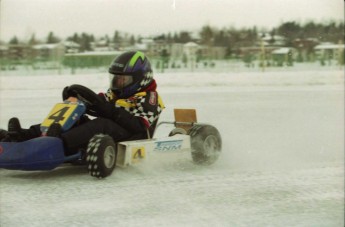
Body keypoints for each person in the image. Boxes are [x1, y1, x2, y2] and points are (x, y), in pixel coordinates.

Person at [0, 51, 165, 156]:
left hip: (133, 137)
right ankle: (23, 135)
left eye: (122, 80)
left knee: (102, 124)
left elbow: (139, 126)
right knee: (77, 118)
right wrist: (76, 99)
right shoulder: (115, 94)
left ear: (141, 79)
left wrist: (109, 110)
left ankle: (59, 143)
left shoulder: (150, 97)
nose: (117, 83)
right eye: (115, 78)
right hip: (113, 130)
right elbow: (98, 101)